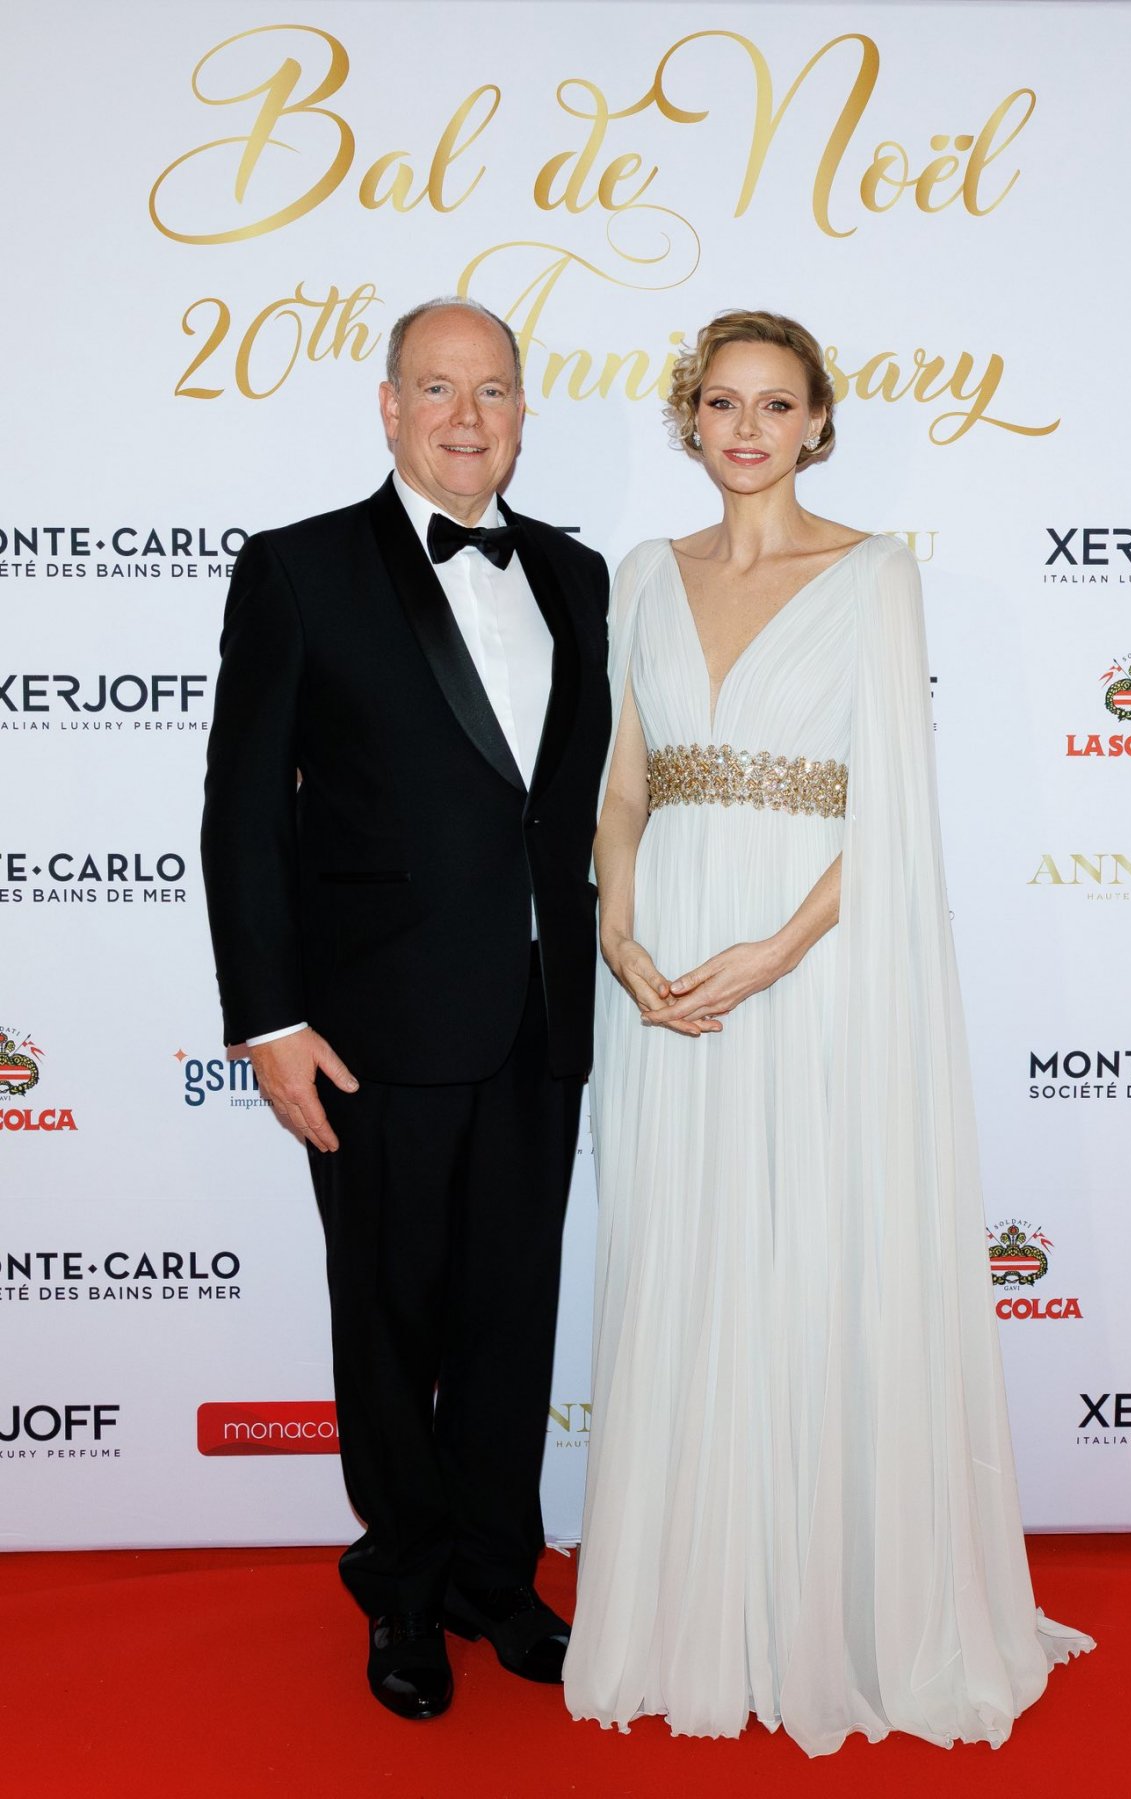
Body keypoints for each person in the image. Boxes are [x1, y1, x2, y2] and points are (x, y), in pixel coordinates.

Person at [563, 309, 1093, 1752]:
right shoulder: (637, 579)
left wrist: (777, 951)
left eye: (775, 404)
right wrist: (617, 928)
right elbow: (621, 787)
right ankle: (689, 1602)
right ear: (688, 419)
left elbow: (895, 820)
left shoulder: (874, 577)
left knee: (808, 1249)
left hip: (813, 960)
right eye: (722, 403)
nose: (747, 428)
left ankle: (827, 1606)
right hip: (662, 957)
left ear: (816, 421)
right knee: (684, 1251)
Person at [201, 297, 610, 1721]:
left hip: (542, 1025)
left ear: (520, 410)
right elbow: (244, 816)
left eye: (492, 390)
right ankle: (406, 1586)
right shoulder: (300, 570)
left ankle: (501, 1575)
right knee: (388, 1326)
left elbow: (572, 801)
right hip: (370, 1034)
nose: (464, 417)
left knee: (514, 1313)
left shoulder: (577, 573)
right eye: (435, 388)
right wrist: (269, 1020)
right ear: (387, 406)